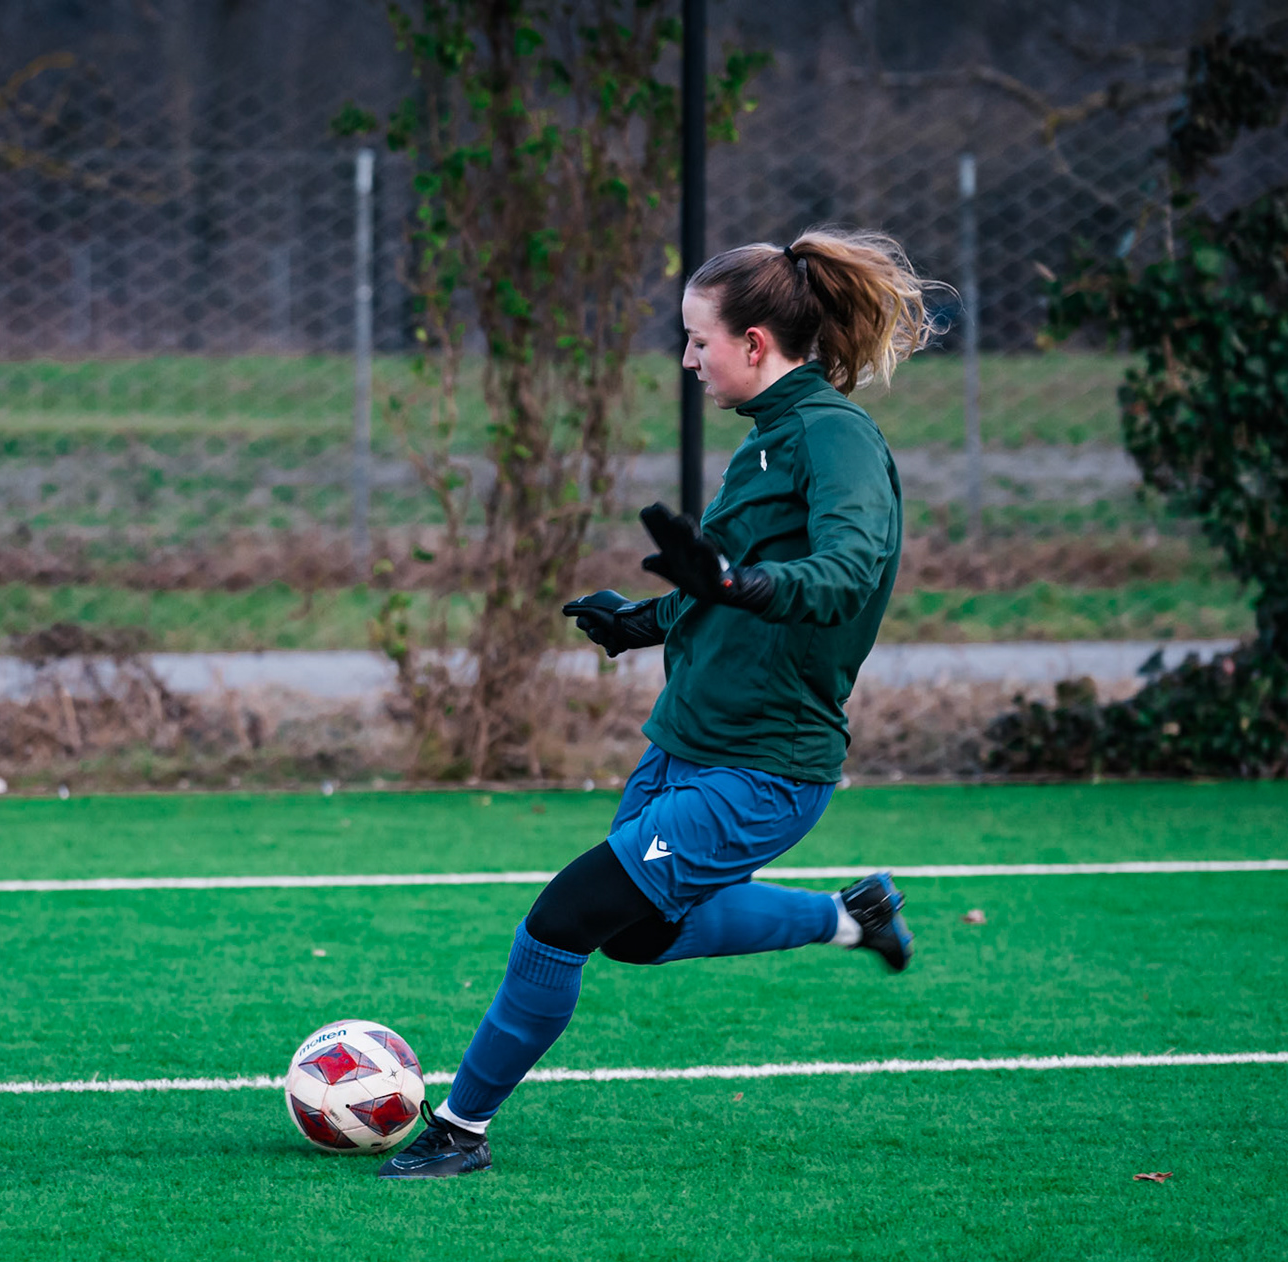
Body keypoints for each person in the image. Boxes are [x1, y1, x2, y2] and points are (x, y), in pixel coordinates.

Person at [378, 228, 938, 1180]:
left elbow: (845, 572)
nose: (685, 359)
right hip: (686, 742)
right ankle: (853, 918)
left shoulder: (834, 438)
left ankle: (459, 1130)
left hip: (765, 767)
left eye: (698, 340)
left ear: (756, 344)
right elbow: (718, 579)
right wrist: (637, 623)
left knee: (561, 921)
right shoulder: (767, 444)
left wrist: (740, 586)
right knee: (637, 937)